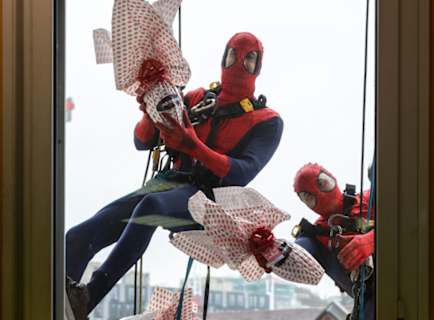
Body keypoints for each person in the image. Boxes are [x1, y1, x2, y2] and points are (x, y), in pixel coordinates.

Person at [65, 32, 283, 319]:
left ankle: (90, 295)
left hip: (208, 201)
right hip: (168, 184)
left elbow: (242, 172)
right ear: (223, 57)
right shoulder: (196, 98)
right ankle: (59, 298)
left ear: (258, 67)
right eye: (234, 53)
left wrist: (193, 145)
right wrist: (149, 109)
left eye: (249, 58)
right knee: (78, 236)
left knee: (151, 208)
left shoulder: (266, 121)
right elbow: (143, 141)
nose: (239, 62)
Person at [292, 163, 375, 319]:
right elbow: (295, 256)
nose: (320, 194)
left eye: (322, 183)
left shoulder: (370, 200)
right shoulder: (314, 236)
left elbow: (411, 219)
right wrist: (271, 251)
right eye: (309, 196)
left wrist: (372, 240)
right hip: (370, 302)